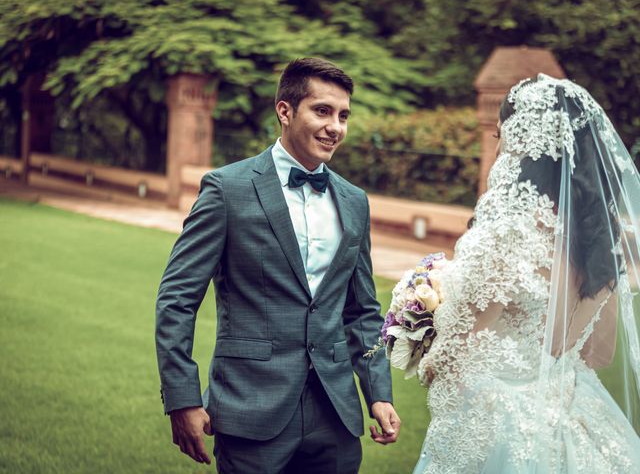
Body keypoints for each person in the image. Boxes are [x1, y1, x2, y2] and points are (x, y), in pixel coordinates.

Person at [155, 57, 400, 474]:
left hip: (335, 413)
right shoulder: (226, 189)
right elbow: (177, 299)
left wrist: (377, 392)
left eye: (343, 115)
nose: (335, 126)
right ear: (284, 111)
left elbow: (361, 311)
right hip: (251, 408)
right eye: (322, 111)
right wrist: (183, 398)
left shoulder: (355, 201)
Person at [412, 74, 640, 473]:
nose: (498, 148)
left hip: (500, 424)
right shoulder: (603, 241)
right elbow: (598, 354)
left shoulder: (511, 232)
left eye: (501, 135)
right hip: (576, 416)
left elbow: (454, 354)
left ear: (522, 138)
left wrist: (420, 327)